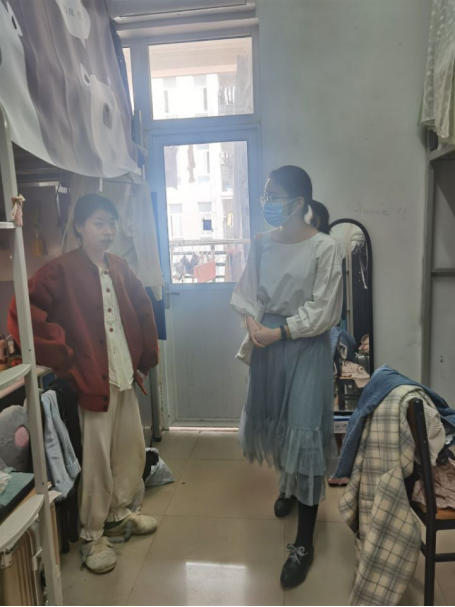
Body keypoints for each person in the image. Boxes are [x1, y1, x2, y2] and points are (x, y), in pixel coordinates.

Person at [8, 193, 159, 575]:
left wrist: (144, 356)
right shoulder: (61, 270)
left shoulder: (119, 266)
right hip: (92, 380)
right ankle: (93, 535)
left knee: (128, 450)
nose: (108, 231)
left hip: (123, 374)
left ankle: (118, 514)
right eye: (98, 223)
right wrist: (65, 355)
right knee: (96, 460)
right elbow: (22, 309)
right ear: (79, 227)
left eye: (112, 223)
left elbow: (142, 308)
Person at [231, 166, 343, 589]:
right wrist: (251, 324)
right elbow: (247, 293)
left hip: (304, 346)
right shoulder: (262, 242)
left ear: (298, 203)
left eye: (273, 196)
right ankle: (288, 487)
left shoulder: (324, 247)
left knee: (304, 431)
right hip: (267, 343)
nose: (266, 203)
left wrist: (279, 332)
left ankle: (304, 544)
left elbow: (325, 309)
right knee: (278, 422)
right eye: (265, 195)